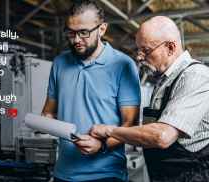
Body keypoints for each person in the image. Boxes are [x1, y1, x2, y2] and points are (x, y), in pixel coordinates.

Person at [90, 16, 209, 182]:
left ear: (170, 47)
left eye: (145, 50)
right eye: (138, 50)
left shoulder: (196, 76)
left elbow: (162, 136)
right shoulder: (164, 80)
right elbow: (149, 131)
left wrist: (108, 130)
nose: (139, 57)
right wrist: (105, 143)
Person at [41, 1, 141, 181]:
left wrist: (101, 145)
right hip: (63, 173)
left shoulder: (123, 65)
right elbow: (48, 112)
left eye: (83, 33)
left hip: (106, 175)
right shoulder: (59, 63)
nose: (76, 40)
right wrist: (43, 123)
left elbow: (130, 124)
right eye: (70, 33)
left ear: (102, 29)